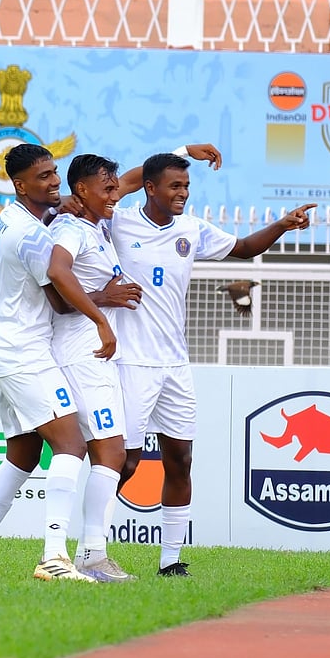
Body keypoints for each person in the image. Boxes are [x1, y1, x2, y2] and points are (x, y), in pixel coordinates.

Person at [111, 149, 314, 576]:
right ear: (151, 188)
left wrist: (281, 224)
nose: (183, 193)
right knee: (125, 462)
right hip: (131, 362)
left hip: (176, 365)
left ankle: (170, 561)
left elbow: (242, 249)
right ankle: (90, 549)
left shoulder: (191, 229)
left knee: (180, 459)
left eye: (186, 185)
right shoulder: (120, 220)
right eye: (175, 185)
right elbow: (123, 183)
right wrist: (183, 150)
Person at [0, 143, 116, 582]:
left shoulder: (13, 218)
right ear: (20, 184)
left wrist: (58, 210)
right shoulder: (33, 235)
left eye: (55, 173)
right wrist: (102, 314)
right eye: (43, 177)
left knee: (23, 453)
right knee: (71, 445)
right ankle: (54, 558)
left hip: (4, 348)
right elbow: (60, 299)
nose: (54, 181)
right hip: (26, 352)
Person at [46, 154, 144, 582]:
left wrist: (182, 152)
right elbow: (56, 276)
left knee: (111, 453)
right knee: (109, 451)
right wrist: (104, 303)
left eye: (114, 188)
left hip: (97, 354)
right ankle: (89, 555)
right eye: (106, 190)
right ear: (81, 190)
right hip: (81, 351)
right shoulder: (68, 227)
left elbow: (138, 179)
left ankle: (90, 553)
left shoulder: (95, 222)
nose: (115, 195)